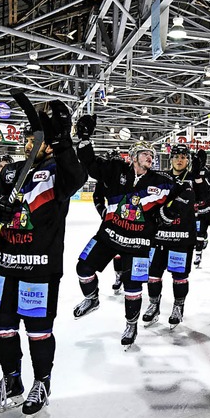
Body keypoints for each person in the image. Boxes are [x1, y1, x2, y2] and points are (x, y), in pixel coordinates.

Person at [0, 100, 87, 418]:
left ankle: (42, 382)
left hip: (40, 266)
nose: (31, 144)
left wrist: (62, 139)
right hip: (6, 265)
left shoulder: (59, 172)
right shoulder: (11, 172)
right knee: (1, 326)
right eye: (28, 139)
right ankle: (12, 382)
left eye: (38, 140)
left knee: (38, 330)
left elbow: (78, 177)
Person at [73, 129, 174, 347]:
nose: (151, 157)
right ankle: (92, 299)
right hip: (109, 235)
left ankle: (131, 324)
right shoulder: (115, 169)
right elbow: (90, 163)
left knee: (133, 288)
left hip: (138, 245)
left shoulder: (161, 181)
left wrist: (171, 213)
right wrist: (84, 138)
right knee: (83, 268)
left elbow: (185, 194)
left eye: (152, 155)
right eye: (146, 154)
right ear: (133, 157)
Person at [142, 144, 200, 329]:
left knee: (179, 277)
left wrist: (199, 177)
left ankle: (178, 306)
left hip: (182, 238)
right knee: (153, 275)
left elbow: (208, 198)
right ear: (171, 158)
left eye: (183, 157)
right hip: (158, 236)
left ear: (188, 160)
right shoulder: (161, 177)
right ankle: (153, 305)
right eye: (176, 156)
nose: (179, 160)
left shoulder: (194, 177)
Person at [92, 149, 125, 294]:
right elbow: (97, 197)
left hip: (129, 218)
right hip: (111, 220)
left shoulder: (128, 173)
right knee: (114, 249)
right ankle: (119, 276)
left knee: (129, 250)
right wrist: (102, 211)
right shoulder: (103, 177)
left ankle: (129, 277)